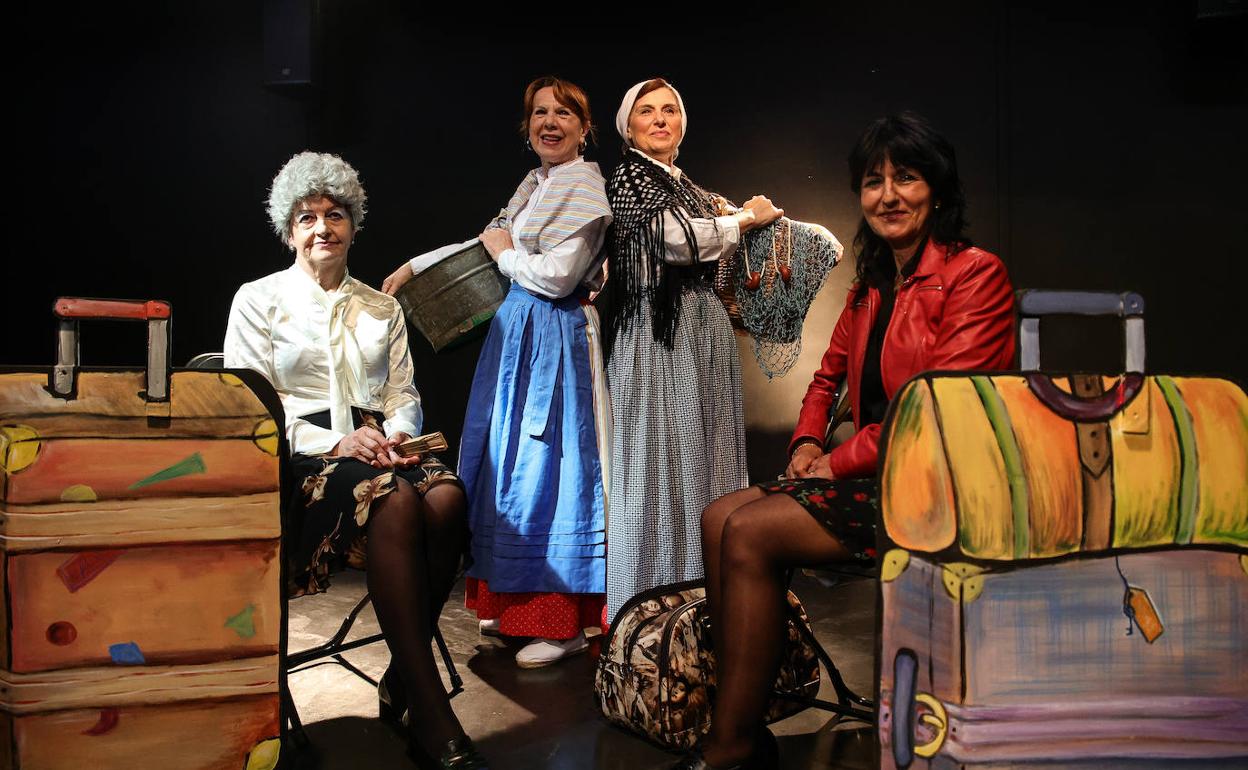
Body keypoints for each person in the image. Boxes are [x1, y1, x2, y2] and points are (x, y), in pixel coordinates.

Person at [682, 113, 1016, 770]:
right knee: (720, 515)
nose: (888, 195)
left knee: (749, 533)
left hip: (942, 487)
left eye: (907, 178)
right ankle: (748, 714)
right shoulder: (873, 285)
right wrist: (807, 441)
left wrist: (833, 462)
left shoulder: (976, 275)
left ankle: (730, 748)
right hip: (877, 474)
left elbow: (932, 412)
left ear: (939, 192)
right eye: (873, 181)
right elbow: (827, 375)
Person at [226, 152, 488, 769]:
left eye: (335, 214)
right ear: (289, 229)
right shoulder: (257, 300)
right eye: (309, 216)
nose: (323, 227)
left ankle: (402, 670)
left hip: (381, 450)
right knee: (395, 502)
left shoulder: (382, 307)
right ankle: (429, 712)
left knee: (448, 496)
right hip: (303, 462)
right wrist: (336, 444)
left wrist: (396, 436)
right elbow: (251, 403)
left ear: (352, 224)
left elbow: (403, 392)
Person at [383, 77, 613, 668]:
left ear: (585, 128)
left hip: (554, 341)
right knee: (506, 469)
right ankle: (515, 611)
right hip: (519, 338)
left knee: (549, 473)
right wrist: (416, 265)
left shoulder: (585, 185)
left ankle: (561, 623)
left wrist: (504, 253)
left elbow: (556, 276)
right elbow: (486, 240)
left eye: (563, 113)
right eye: (540, 112)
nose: (550, 122)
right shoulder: (536, 183)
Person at [602, 78, 783, 621]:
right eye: (647, 111)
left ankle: (706, 597)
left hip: (701, 335)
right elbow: (674, 241)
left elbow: (715, 246)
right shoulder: (631, 177)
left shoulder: (691, 188)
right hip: (658, 338)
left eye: (670, 110)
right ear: (628, 126)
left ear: (682, 123)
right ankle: (650, 607)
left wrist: (738, 224)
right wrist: (743, 219)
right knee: (659, 466)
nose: (660, 119)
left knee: (704, 463)